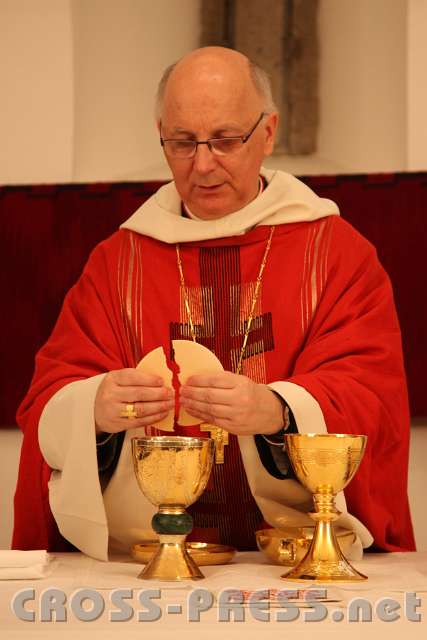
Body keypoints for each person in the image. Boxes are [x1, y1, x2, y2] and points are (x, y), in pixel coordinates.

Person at [13, 47, 415, 560]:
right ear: (161, 135)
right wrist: (92, 409)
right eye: (182, 143)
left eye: (225, 141)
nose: (202, 165)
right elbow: (48, 399)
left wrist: (277, 410)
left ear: (267, 133)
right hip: (145, 564)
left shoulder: (336, 254)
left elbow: (372, 397)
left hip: (295, 565)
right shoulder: (119, 261)